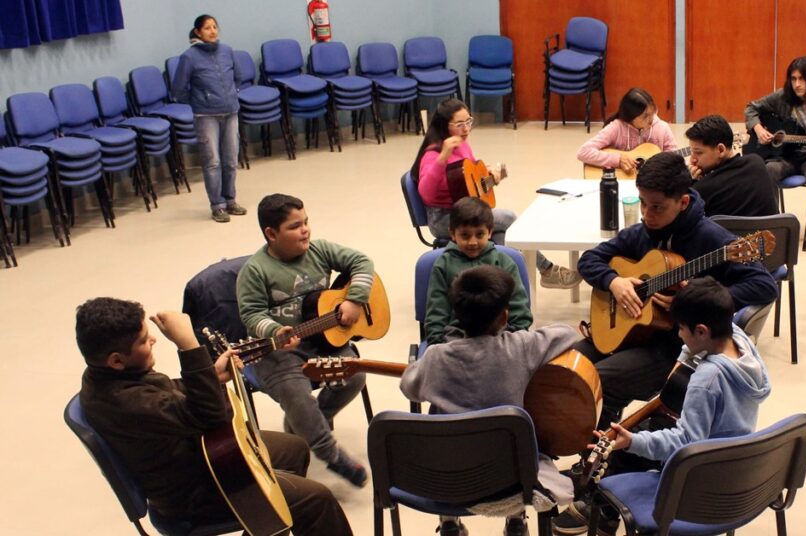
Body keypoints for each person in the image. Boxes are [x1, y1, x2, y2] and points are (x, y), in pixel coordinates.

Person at [76, 298, 353, 535]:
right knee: (317, 499)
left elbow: (167, 395)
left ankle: (269, 521)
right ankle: (270, 509)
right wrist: (188, 345)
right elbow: (213, 415)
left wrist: (210, 378)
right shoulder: (124, 401)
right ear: (116, 360)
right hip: (191, 493)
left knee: (295, 448)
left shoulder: (111, 375)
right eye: (142, 341)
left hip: (191, 456)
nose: (153, 339)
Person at [572, 151, 777, 433]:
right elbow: (588, 260)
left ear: (682, 202)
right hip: (629, 331)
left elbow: (765, 286)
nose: (646, 214)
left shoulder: (713, 239)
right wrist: (614, 282)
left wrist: (696, 300)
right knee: (570, 364)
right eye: (642, 204)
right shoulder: (642, 232)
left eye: (657, 207)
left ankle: (597, 459)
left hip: (675, 346)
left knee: (598, 379)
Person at [554, 278, 771, 534]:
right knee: (643, 433)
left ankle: (606, 512)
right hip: (737, 459)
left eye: (681, 328)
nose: (679, 335)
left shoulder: (707, 380)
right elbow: (689, 356)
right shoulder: (738, 338)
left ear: (701, 331)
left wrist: (633, 442)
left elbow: (685, 443)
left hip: (703, 473)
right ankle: (606, 507)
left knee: (627, 449)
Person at [401, 265, 578, 536]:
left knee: (442, 427)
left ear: (457, 316)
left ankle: (449, 522)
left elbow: (409, 388)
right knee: (516, 439)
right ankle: (517, 520)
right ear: (504, 316)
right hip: (509, 482)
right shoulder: (521, 347)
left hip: (444, 480)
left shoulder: (435, 357)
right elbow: (568, 333)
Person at [235, 193, 370, 487]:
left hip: (323, 340)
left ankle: (309, 420)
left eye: (306, 222)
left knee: (355, 374)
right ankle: (331, 453)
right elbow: (251, 315)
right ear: (271, 234)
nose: (305, 230)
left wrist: (355, 301)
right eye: (295, 226)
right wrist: (274, 330)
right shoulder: (255, 271)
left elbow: (362, 261)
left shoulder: (319, 250)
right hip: (278, 353)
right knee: (296, 394)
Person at [412, 98, 581, 289]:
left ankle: (508, 286)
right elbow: (424, 192)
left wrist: (490, 175)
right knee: (508, 218)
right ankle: (547, 270)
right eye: (459, 124)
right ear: (445, 125)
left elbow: (470, 176)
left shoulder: (463, 145)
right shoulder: (432, 154)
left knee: (502, 236)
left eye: (469, 122)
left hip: (466, 209)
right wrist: (442, 157)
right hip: (443, 218)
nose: (466, 129)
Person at [744, 56, 806, 238]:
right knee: (769, 170)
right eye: (793, 79)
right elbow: (751, 108)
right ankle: (774, 221)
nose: (797, 84)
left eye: (802, 79)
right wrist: (758, 128)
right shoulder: (781, 97)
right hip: (783, 154)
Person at [424, 197, 532, 345]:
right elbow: (436, 314)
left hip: (499, 337)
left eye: (479, 234)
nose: (473, 242)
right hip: (457, 339)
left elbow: (519, 310)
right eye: (465, 236)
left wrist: (513, 341)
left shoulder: (505, 263)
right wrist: (438, 347)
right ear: (452, 234)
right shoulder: (443, 265)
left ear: (490, 232)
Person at [171, 14, 246, 223]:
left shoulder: (227, 51)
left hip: (230, 111)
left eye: (215, 27)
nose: (212, 31)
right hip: (206, 116)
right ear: (198, 32)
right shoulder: (189, 57)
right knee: (212, 161)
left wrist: (230, 95)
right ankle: (217, 205)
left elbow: (238, 77)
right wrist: (200, 101)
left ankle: (231, 200)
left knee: (231, 159)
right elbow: (178, 89)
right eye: (207, 28)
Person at [686, 114, 778, 217]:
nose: (692, 159)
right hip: (772, 232)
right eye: (691, 152)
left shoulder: (703, 188)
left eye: (698, 152)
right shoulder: (757, 162)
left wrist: (691, 183)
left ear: (721, 150)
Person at [575, 87, 678, 174]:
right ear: (631, 116)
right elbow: (583, 152)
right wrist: (618, 160)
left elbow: (674, 157)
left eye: (653, 113)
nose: (651, 119)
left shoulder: (662, 128)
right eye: (645, 116)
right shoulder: (616, 128)